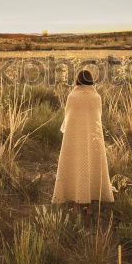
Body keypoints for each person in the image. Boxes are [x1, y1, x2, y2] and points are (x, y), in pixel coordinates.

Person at [51, 68, 113, 212]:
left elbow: (68, 117)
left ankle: (76, 205)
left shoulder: (73, 96)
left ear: (77, 80)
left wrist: (72, 131)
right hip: (93, 139)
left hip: (74, 138)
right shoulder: (96, 97)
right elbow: (97, 118)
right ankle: (90, 206)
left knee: (74, 167)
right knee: (92, 166)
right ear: (91, 80)